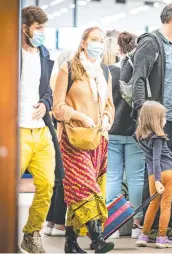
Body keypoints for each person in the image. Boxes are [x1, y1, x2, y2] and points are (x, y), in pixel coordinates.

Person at [53, 26, 115, 253]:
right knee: (87, 188)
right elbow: (57, 108)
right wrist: (80, 116)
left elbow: (109, 105)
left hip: (98, 140)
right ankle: (97, 239)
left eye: (102, 40)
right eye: (94, 39)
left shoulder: (104, 72)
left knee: (77, 193)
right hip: (72, 140)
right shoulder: (68, 68)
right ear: (83, 42)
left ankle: (70, 242)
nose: (99, 44)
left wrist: (108, 118)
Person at [131, 1, 172, 230]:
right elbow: (139, 78)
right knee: (155, 174)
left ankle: (164, 224)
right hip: (158, 121)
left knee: (169, 174)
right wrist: (143, 113)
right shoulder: (151, 43)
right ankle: (151, 226)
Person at [19, 6, 60, 253]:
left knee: (46, 184)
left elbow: (48, 91)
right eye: (38, 28)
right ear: (25, 28)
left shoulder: (44, 52)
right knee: (0, 186)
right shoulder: (10, 54)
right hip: (16, 131)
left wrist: (45, 105)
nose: (42, 32)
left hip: (41, 131)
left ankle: (31, 233)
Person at [104, 32, 145, 239]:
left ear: (118, 49)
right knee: (136, 179)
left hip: (112, 130)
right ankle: (137, 225)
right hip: (135, 132)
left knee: (112, 177)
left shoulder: (110, 71)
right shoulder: (140, 72)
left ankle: (113, 225)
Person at [134, 101, 172, 249]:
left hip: (153, 174)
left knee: (153, 205)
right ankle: (161, 237)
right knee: (165, 205)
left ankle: (144, 235)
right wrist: (159, 180)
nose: (165, 119)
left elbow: (151, 160)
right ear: (156, 119)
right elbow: (157, 158)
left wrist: (155, 178)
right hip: (167, 172)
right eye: (162, 117)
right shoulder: (157, 137)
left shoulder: (139, 137)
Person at [43, 50, 74, 237]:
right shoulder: (63, 80)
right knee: (63, 179)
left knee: (56, 179)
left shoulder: (52, 78)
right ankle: (60, 222)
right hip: (63, 133)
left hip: (51, 131)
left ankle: (50, 221)